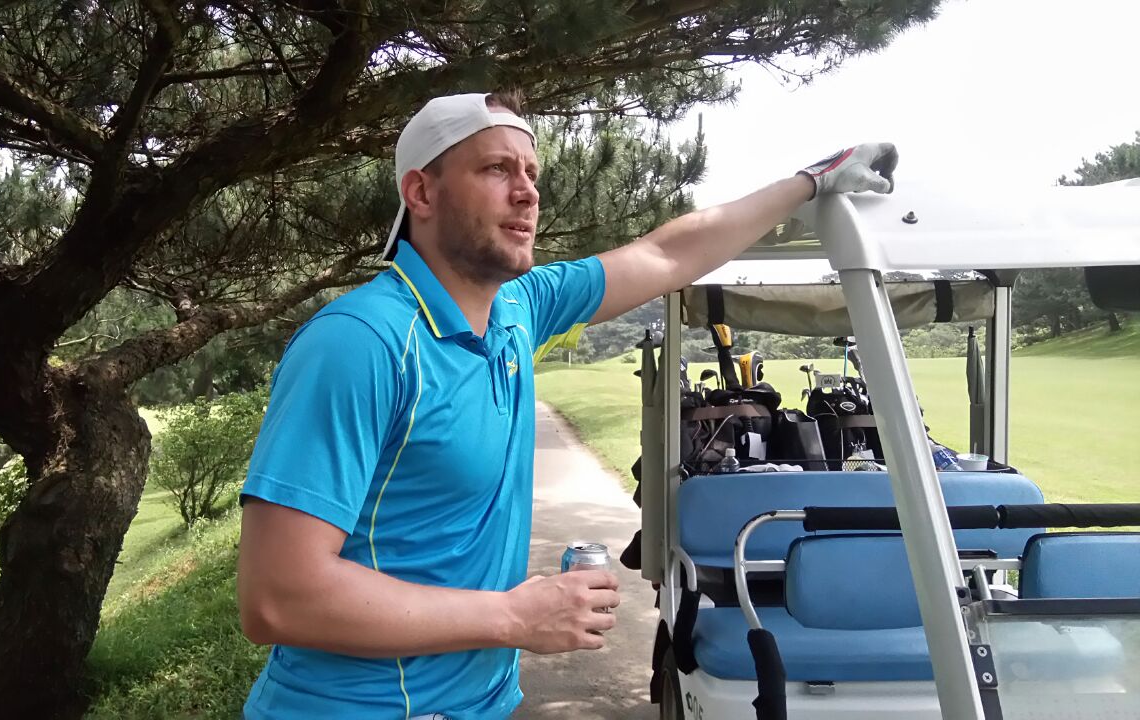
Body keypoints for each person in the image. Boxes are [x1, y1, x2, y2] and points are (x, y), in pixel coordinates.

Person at [236, 90, 897, 719]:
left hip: (477, 704)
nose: (528, 191)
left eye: (531, 172)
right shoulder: (360, 343)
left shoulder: (517, 309)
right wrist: (513, 617)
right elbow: (278, 598)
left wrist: (809, 182)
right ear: (421, 192)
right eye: (496, 169)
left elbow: (666, 253)